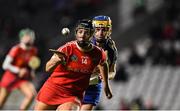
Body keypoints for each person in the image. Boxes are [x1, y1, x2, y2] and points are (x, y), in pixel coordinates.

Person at [34, 19, 112, 110]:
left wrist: (106, 85)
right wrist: (56, 61)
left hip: (73, 95)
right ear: (76, 33)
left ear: (91, 35)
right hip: (53, 89)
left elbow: (103, 64)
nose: (82, 35)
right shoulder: (66, 49)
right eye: (80, 32)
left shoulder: (98, 53)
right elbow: (48, 68)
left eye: (86, 33)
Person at [81, 15, 118, 110]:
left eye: (104, 29)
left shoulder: (111, 48)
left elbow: (112, 72)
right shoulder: (84, 43)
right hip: (78, 83)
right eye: (97, 29)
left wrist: (104, 77)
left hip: (93, 86)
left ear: (109, 30)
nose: (100, 33)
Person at [0, 28, 38, 110]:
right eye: (27, 36)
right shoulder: (16, 49)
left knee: (31, 95)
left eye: (30, 37)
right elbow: (5, 65)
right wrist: (18, 70)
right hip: (10, 77)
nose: (29, 38)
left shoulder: (33, 50)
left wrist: (32, 71)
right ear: (22, 38)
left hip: (21, 78)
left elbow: (32, 64)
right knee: (1, 102)